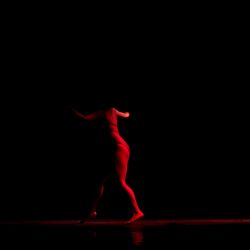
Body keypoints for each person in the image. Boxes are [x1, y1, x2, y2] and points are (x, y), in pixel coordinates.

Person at [72, 106, 144, 223]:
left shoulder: (101, 113)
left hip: (118, 148)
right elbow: (127, 115)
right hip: (118, 147)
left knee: (121, 182)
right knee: (101, 180)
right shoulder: (113, 111)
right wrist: (127, 112)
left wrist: (72, 110)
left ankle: (137, 211)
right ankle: (92, 211)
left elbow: (84, 118)